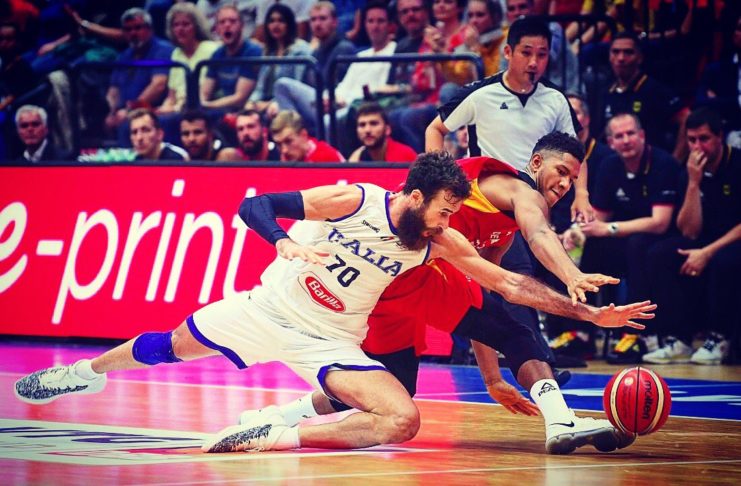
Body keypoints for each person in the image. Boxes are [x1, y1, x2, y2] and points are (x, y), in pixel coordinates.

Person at [15, 151, 653, 455]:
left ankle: (274, 434)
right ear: (416, 196)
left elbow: (510, 286)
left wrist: (590, 314)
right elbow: (255, 205)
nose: (450, 220)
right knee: (165, 347)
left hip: (330, 340)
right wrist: (284, 241)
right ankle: (82, 373)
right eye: (445, 208)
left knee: (402, 420)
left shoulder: (439, 239)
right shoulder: (355, 200)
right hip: (266, 309)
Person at [235, 132, 655, 455]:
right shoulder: (520, 191)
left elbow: (487, 292)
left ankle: (276, 417)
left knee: (395, 387)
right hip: (406, 275)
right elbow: (540, 235)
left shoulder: (500, 228)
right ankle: (560, 420)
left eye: (573, 179)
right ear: (535, 163)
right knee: (515, 331)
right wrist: (573, 278)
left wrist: (492, 378)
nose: (565, 183)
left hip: (389, 286)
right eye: (561, 171)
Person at [426, 16, 592, 369]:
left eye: (542, 54)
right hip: (491, 204)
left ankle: (508, 362)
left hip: (540, 198)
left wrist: (582, 195)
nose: (534, 62)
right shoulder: (481, 94)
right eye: (526, 52)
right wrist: (438, 181)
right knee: (515, 275)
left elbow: (574, 153)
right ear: (508, 52)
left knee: (495, 281)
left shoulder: (555, 99)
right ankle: (537, 362)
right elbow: (435, 129)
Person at [642, 108, 741, 365]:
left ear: (720, 137)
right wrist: (694, 183)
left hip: (734, 240)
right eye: (692, 140)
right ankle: (679, 340)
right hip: (704, 239)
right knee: (660, 254)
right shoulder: (688, 171)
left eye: (704, 139)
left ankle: (719, 338)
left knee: (724, 261)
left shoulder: (737, 163)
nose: (697, 147)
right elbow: (689, 230)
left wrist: (707, 252)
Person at [579, 113, 680, 364]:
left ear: (642, 135)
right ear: (611, 142)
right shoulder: (609, 165)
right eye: (619, 136)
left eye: (630, 133)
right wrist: (576, 231)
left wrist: (609, 228)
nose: (626, 140)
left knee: (637, 246)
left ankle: (636, 333)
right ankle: (582, 331)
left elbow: (660, 222)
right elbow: (598, 219)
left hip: (663, 238)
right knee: (593, 247)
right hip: (626, 238)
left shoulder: (663, 163)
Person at [546, 93, 617, 362]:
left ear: (585, 119)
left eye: (576, 113)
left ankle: (579, 333)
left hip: (589, 230)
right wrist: (551, 230)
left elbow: (602, 206)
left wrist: (575, 230)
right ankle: (554, 333)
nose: (571, 119)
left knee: (572, 248)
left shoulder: (605, 157)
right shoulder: (551, 157)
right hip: (555, 227)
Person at [105, 8, 173, 138]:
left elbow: (159, 85)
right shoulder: (123, 56)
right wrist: (112, 113)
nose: (133, 33)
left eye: (138, 28)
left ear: (150, 29)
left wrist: (130, 110)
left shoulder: (163, 50)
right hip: (125, 113)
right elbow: (113, 90)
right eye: (128, 29)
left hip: (152, 112)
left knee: (128, 126)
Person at [157, 3, 219, 114]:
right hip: (177, 110)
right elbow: (171, 97)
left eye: (185, 24)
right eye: (176, 25)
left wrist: (175, 108)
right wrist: (163, 108)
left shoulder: (211, 49)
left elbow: (208, 93)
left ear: (196, 27)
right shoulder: (176, 53)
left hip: (201, 109)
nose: (180, 29)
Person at [200, 5, 262, 112]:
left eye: (232, 21)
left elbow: (240, 98)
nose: (227, 25)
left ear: (242, 25)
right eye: (222, 22)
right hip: (220, 108)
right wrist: (201, 103)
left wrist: (208, 105)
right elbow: (205, 92)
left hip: (245, 111)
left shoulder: (252, 51)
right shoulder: (217, 54)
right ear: (216, 28)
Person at [348, 102, 417, 163]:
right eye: (362, 125)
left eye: (374, 123)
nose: (367, 130)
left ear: (387, 130)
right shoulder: (356, 158)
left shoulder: (406, 156)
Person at [270, 110, 344, 162]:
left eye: (288, 141)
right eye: (279, 144)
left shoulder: (327, 157)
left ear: (303, 135)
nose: (284, 150)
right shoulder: (283, 160)